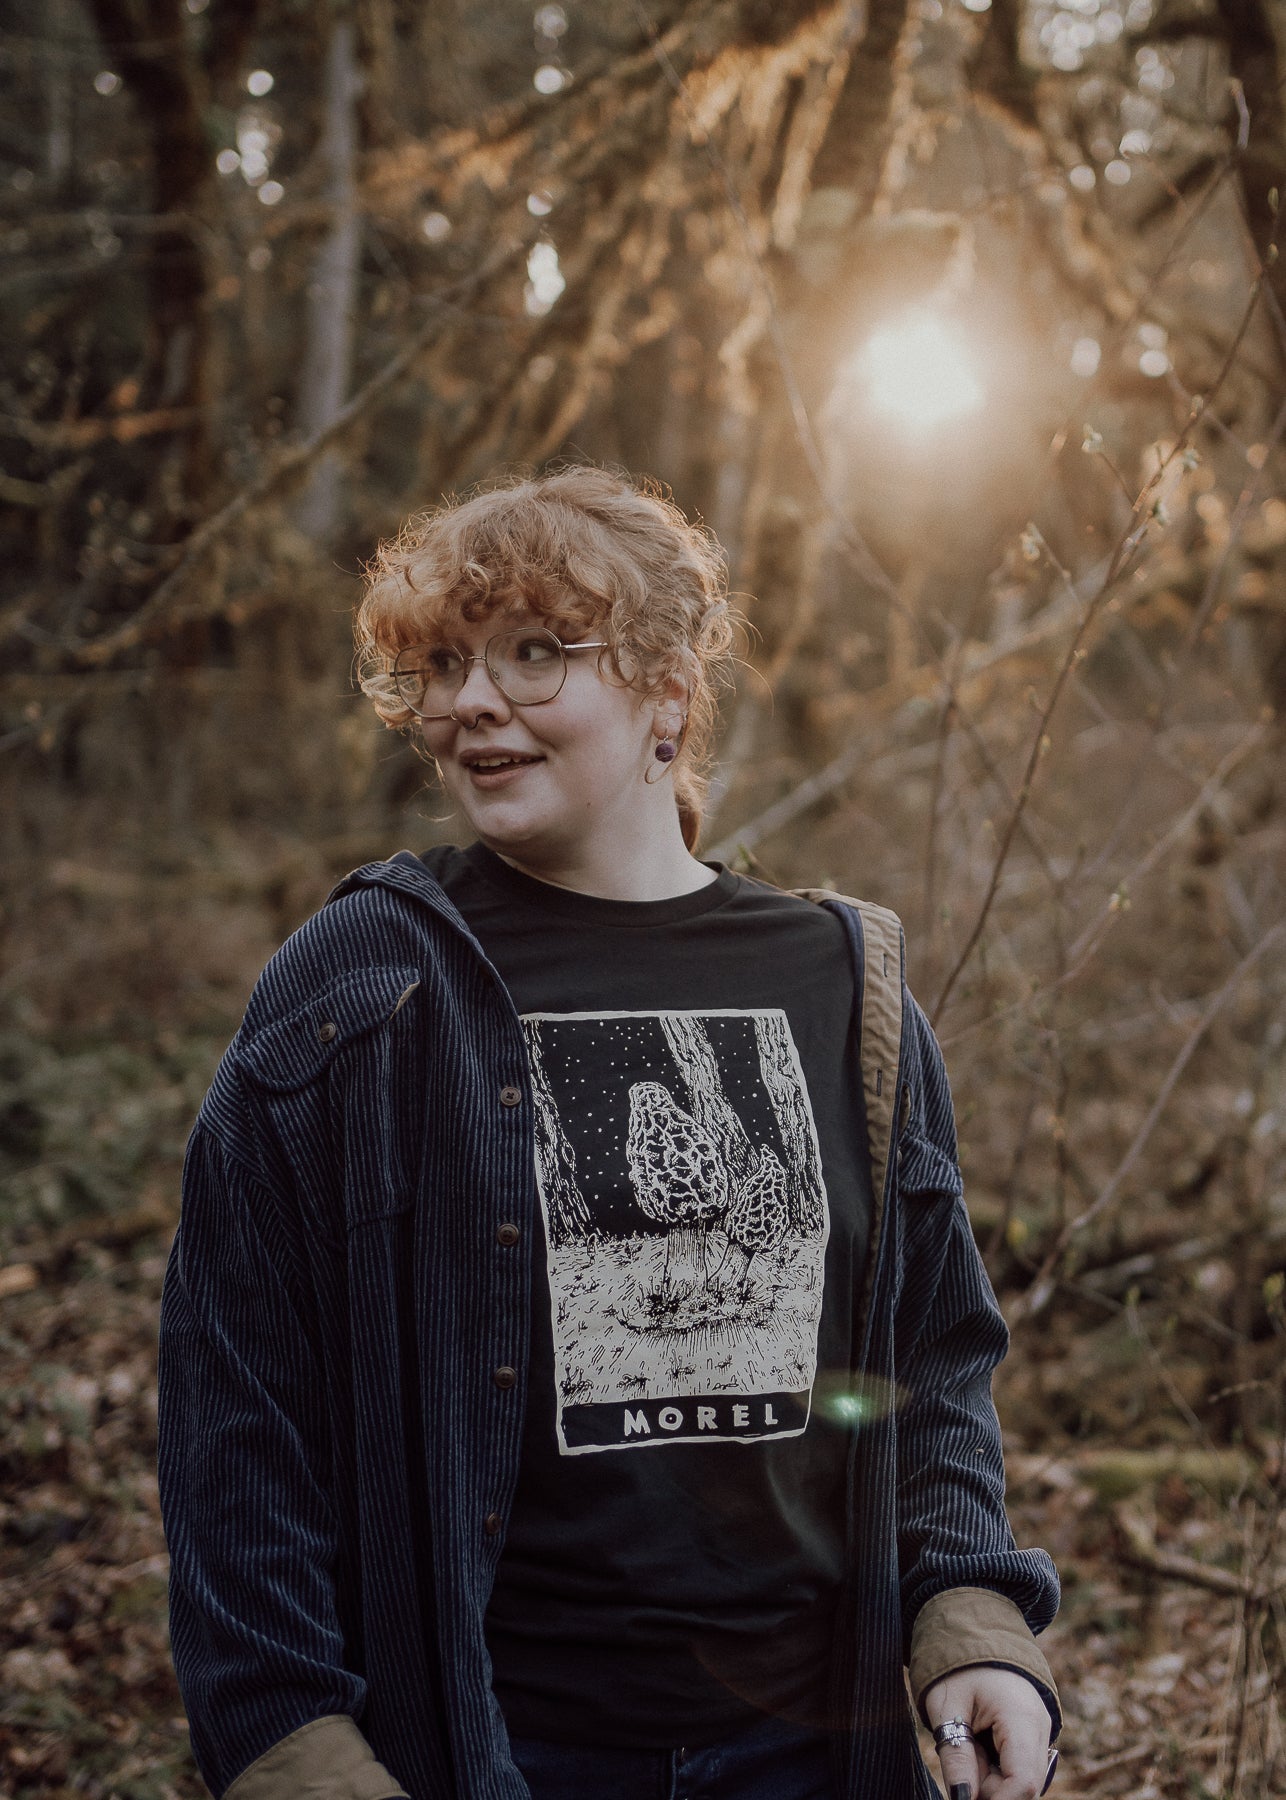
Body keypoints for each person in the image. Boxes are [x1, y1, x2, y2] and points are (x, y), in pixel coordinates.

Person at [158, 465, 1061, 1800]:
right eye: (446, 663)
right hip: (491, 1748)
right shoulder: (364, 982)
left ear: (667, 693)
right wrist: (293, 1743)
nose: (473, 701)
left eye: (536, 652)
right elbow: (237, 1404)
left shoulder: (841, 984)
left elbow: (926, 1358)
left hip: (814, 1747)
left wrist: (969, 1620)